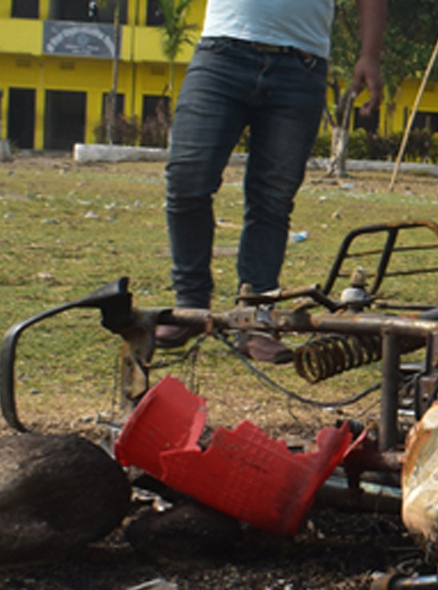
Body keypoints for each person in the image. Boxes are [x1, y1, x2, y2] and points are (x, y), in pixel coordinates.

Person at [157, 0, 389, 361]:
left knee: (273, 198)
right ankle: (190, 307)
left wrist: (370, 55)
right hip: (223, 51)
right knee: (187, 177)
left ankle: (257, 317)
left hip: (301, 64)